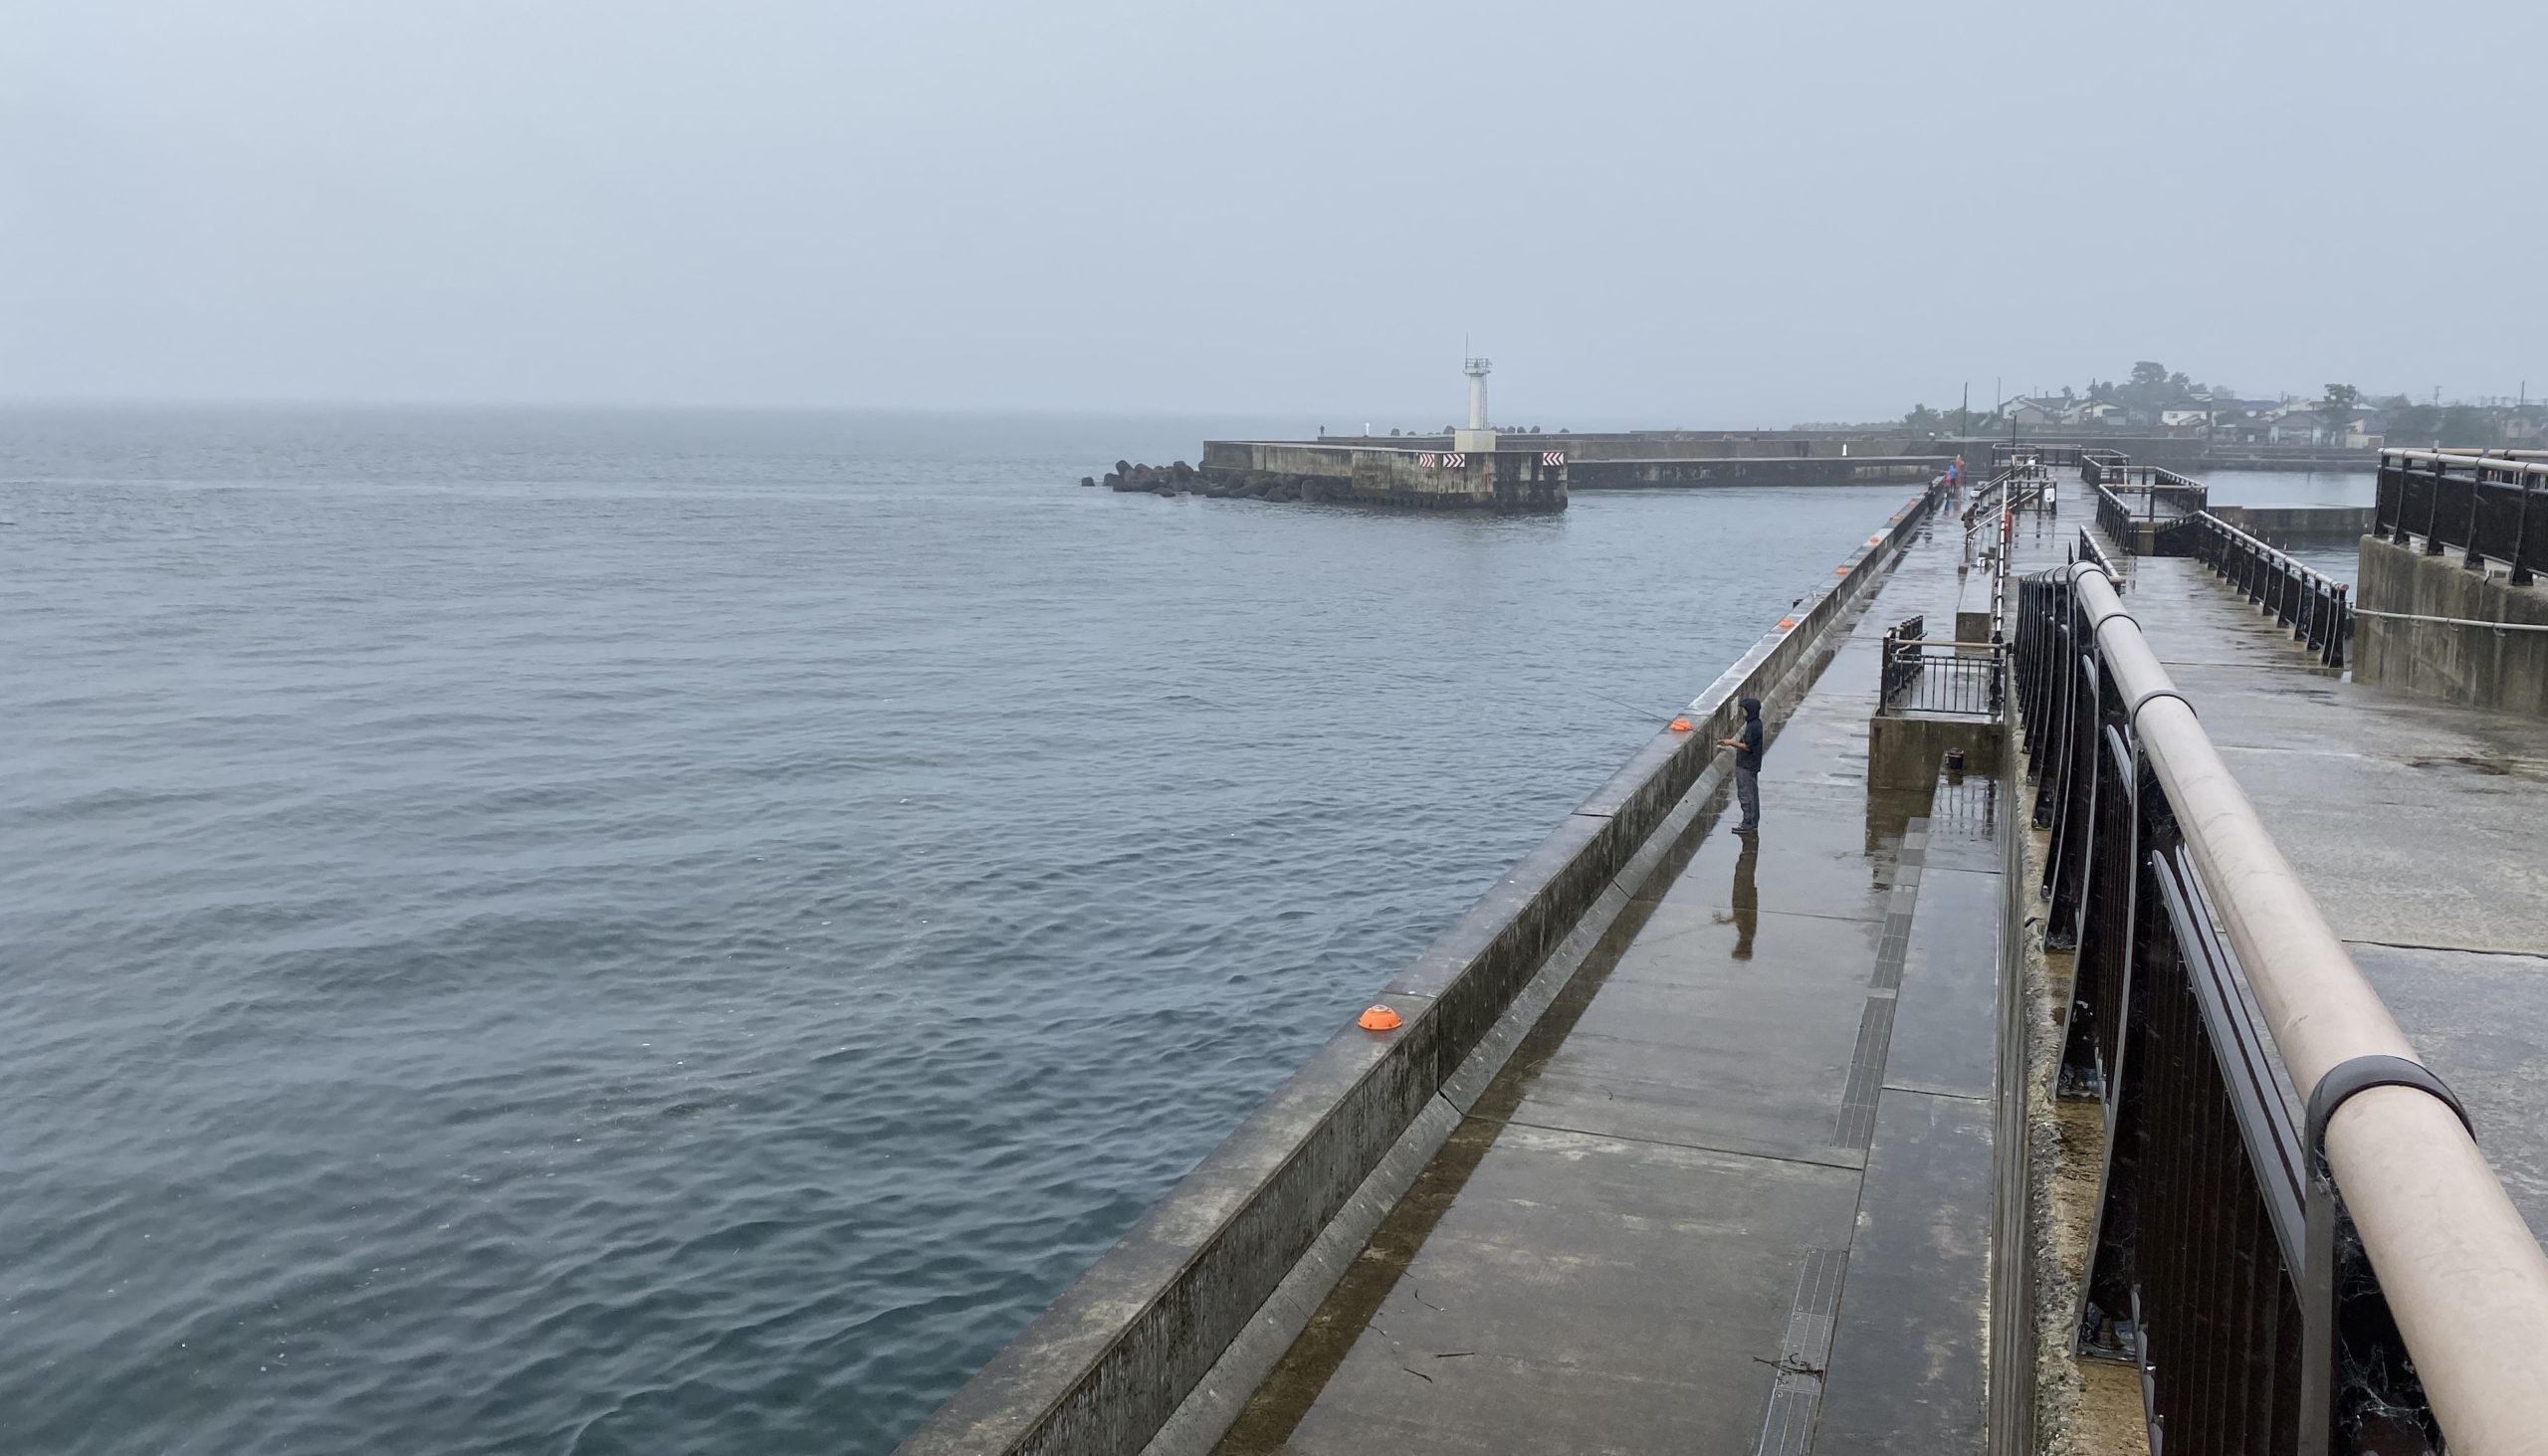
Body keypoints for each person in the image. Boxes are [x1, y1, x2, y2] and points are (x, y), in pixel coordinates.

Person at [1719, 697, 1765, 833]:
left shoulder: (1753, 727)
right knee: (1752, 793)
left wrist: (1729, 742)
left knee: (1746, 794)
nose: (1742, 711)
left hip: (1747, 765)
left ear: (1749, 711)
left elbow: (1748, 746)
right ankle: (1752, 821)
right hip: (1751, 764)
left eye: (1744, 709)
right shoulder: (1756, 723)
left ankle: (1748, 823)